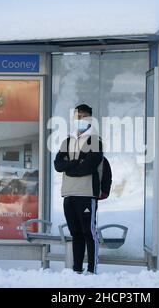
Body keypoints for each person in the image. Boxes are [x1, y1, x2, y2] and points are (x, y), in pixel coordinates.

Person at [54, 104, 103, 275]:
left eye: (84, 116)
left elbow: (88, 167)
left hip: (86, 193)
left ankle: (91, 269)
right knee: (75, 233)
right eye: (78, 116)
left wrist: (70, 166)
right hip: (69, 193)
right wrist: (75, 163)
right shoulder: (67, 141)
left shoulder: (95, 141)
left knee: (88, 232)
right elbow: (57, 165)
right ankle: (76, 269)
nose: (80, 120)